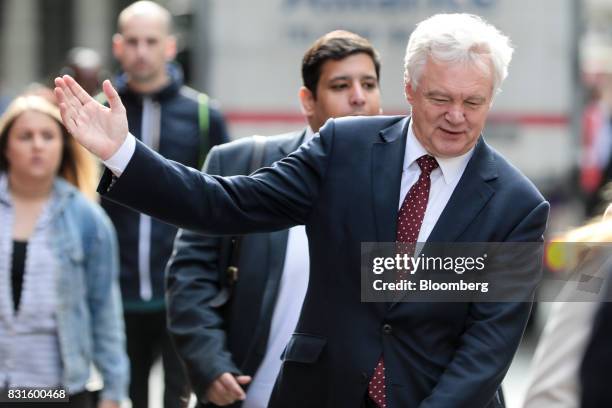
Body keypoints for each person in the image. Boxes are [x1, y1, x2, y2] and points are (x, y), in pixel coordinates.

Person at [55, 12, 550, 408]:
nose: (457, 116)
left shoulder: (516, 205)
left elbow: (487, 346)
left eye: (474, 101)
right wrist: (123, 153)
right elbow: (227, 202)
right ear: (410, 88)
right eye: (441, 98)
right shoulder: (345, 147)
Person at [166, 30, 382, 408]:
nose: (358, 97)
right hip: (250, 393)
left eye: (368, 84)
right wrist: (210, 365)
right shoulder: (241, 164)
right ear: (308, 101)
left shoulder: (403, 186)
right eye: (340, 85)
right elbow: (189, 277)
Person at [98, 2, 230, 407]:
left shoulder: (203, 114)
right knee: (122, 396)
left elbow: (222, 200)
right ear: (118, 47)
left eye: (151, 41)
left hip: (182, 291)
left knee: (179, 399)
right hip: (112, 293)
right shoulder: (97, 112)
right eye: (132, 41)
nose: (141, 51)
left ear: (170, 47)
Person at [0, 95, 128, 407]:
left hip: (58, 388)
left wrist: (113, 392)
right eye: (25, 136)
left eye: (48, 136)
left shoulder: (87, 219)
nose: (37, 145)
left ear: (63, 147)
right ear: (6, 147)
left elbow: (104, 310)